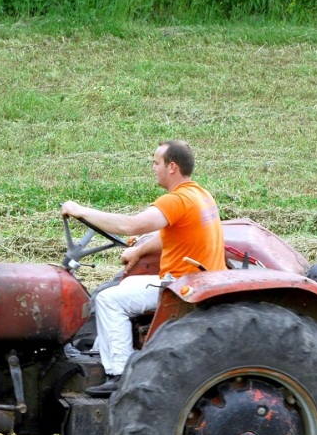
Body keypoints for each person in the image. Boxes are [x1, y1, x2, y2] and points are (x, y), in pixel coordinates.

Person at [60, 140, 226, 396]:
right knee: (119, 286)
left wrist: (80, 211)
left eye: (156, 162)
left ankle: (119, 375)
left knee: (107, 300)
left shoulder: (176, 200)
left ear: (172, 167)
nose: (152, 167)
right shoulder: (200, 195)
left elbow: (131, 226)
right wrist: (138, 250)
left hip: (181, 286)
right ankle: (101, 351)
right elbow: (175, 234)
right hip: (197, 280)